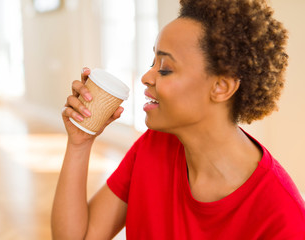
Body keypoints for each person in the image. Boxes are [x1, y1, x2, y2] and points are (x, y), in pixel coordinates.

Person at [51, 0, 305, 239]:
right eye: (153, 62)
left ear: (221, 87)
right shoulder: (153, 146)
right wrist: (80, 143)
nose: (147, 77)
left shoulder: (282, 216)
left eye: (165, 68)